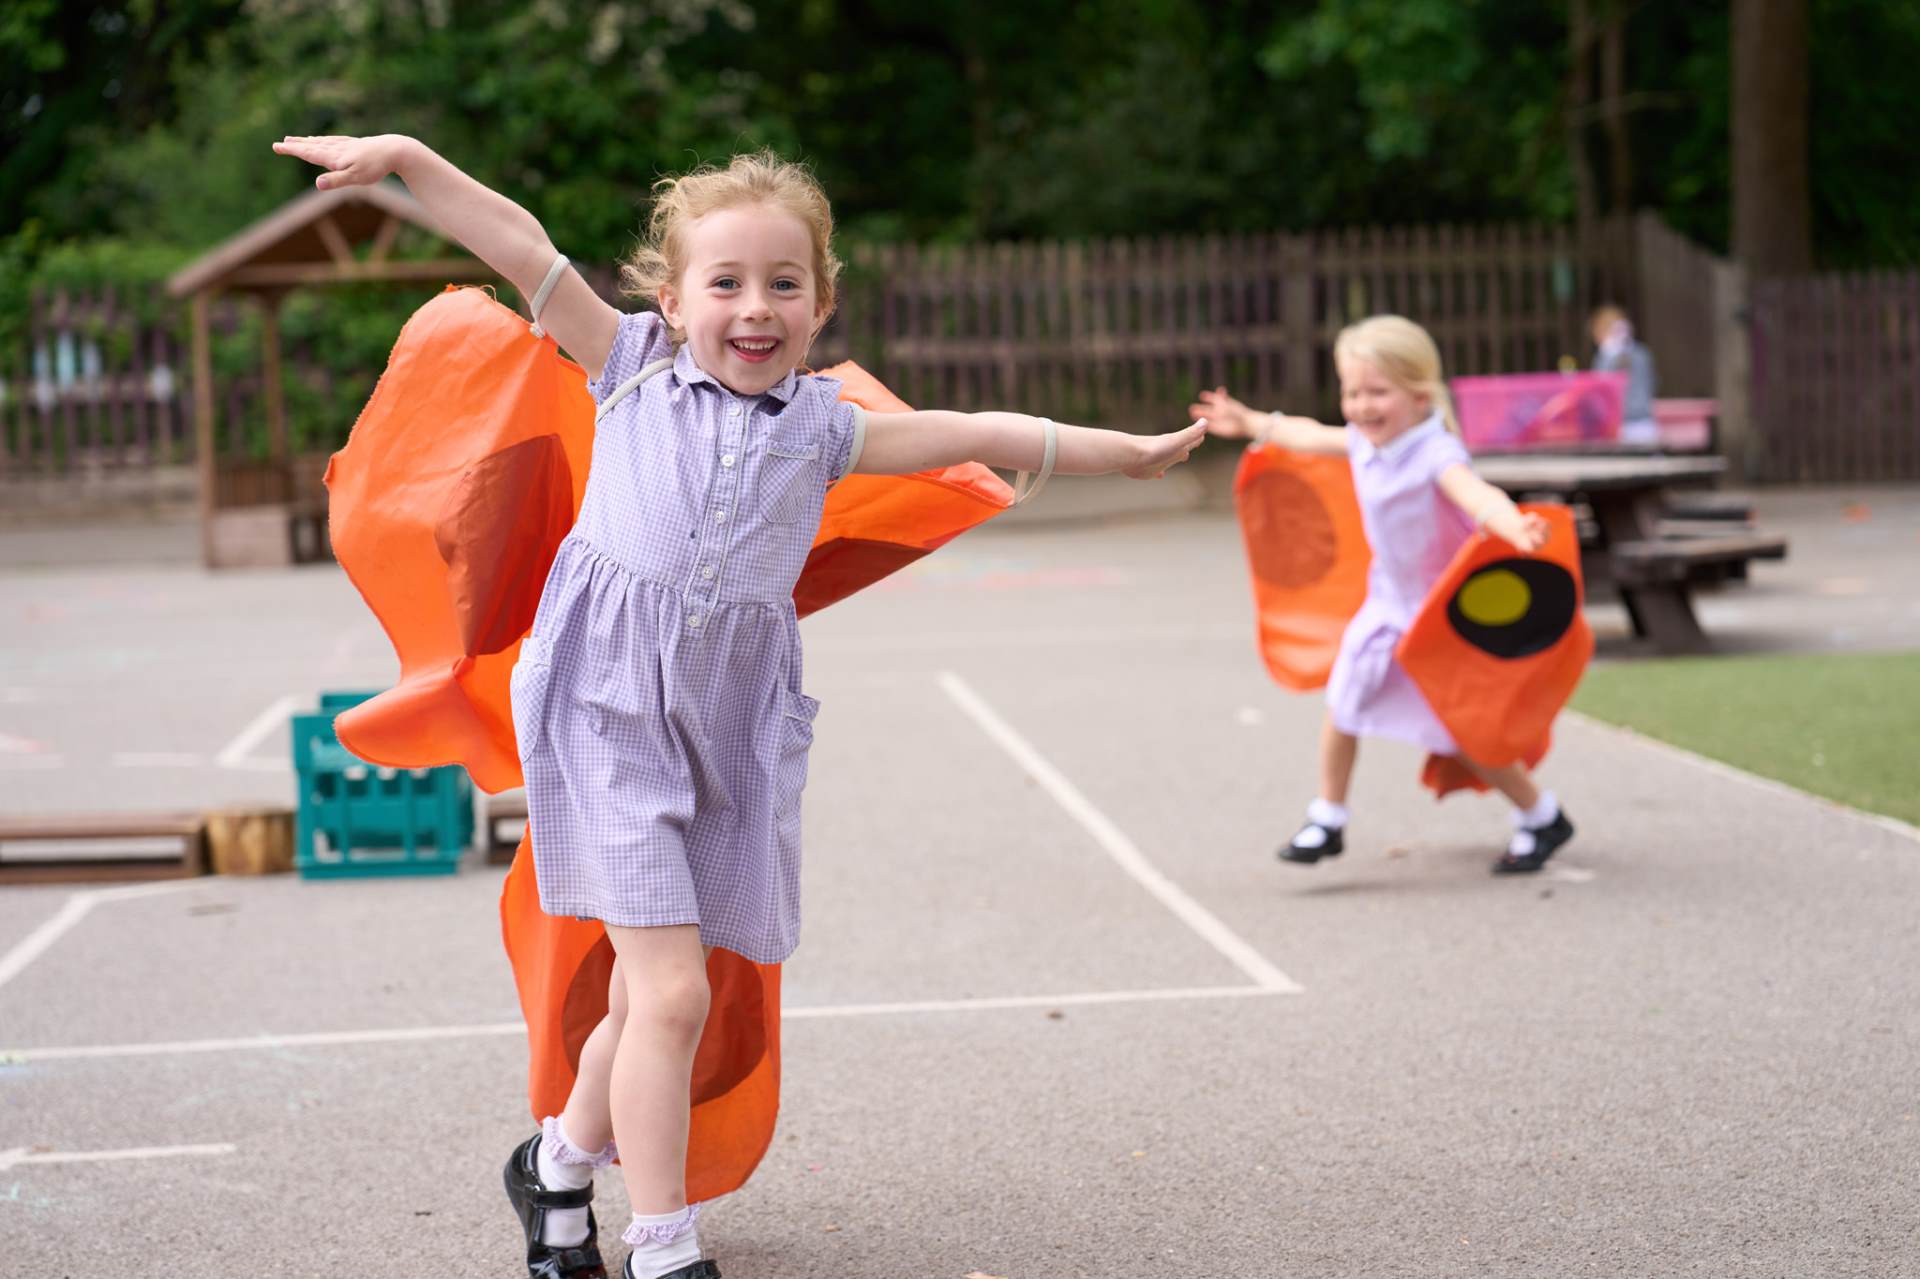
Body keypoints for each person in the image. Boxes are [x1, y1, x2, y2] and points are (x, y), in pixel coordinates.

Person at [273, 134, 1204, 1279]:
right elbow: (517, 242)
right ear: (671, 297)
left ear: (821, 303)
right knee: (668, 990)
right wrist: (409, 157)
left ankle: (558, 1165)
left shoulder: (827, 429)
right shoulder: (632, 366)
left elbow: (985, 434)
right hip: (605, 710)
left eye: (784, 283)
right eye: (725, 282)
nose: (754, 307)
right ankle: (664, 1246)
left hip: (722, 728)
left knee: (661, 993)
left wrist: (1135, 455)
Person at [1190, 315, 1575, 877]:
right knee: (1344, 703)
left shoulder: (1434, 453)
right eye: (1352, 392)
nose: (1362, 406)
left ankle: (1542, 815)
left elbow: (1475, 493)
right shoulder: (1363, 442)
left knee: (1464, 734)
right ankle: (1327, 817)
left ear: (1420, 396)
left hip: (1440, 621)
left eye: (1378, 393)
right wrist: (1249, 420)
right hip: (1386, 609)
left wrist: (1512, 524)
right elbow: (1304, 433)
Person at [1589, 303, 1659, 446]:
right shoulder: (1641, 353)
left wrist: (1610, 355)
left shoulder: (1611, 356)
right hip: (1641, 423)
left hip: (1629, 425)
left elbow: (1600, 388)